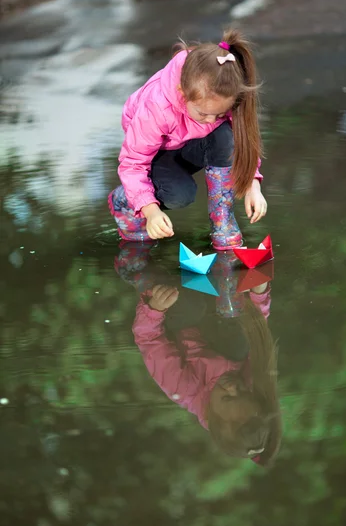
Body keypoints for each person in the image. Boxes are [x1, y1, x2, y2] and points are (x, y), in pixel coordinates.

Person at [108, 29, 268, 249]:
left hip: (188, 141)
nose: (211, 120)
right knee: (180, 195)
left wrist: (252, 185)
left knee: (225, 136)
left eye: (220, 114)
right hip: (158, 152)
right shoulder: (156, 108)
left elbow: (244, 139)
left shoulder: (222, 92)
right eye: (203, 114)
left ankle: (222, 221)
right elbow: (133, 163)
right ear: (182, 93)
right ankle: (124, 200)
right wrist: (151, 211)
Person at [132, 278, 281, 466]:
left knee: (192, 306)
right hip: (221, 307)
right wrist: (259, 293)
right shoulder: (254, 379)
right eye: (243, 391)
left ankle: (147, 268)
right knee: (239, 346)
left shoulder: (185, 390)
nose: (233, 387)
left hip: (182, 312)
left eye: (227, 398)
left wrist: (154, 309)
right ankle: (223, 271)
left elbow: (148, 340)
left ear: (211, 415)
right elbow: (256, 329)